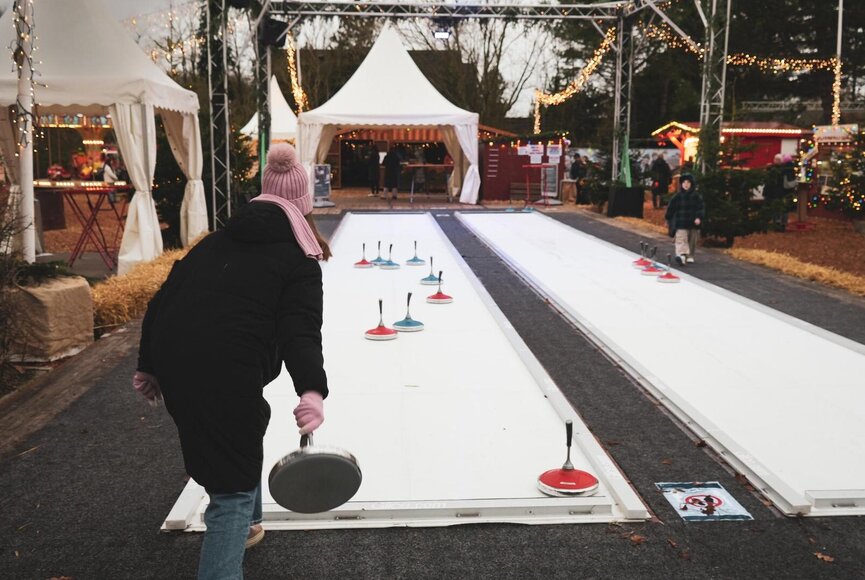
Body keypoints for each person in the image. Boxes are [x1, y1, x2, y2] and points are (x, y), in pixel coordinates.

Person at [132, 143, 331, 580]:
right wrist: (312, 390)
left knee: (237, 431)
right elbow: (300, 330)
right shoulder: (298, 259)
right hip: (224, 368)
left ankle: (249, 524)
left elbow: (163, 300)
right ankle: (236, 530)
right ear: (303, 204)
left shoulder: (213, 243)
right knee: (231, 492)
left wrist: (148, 365)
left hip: (176, 363)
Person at [664, 173, 704, 266]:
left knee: (692, 240)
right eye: (684, 182)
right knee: (681, 239)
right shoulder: (677, 197)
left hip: (693, 222)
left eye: (688, 182)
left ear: (691, 184)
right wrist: (667, 218)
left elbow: (701, 208)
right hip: (680, 222)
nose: (686, 184)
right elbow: (671, 208)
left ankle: (690, 255)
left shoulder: (696, 197)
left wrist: (698, 217)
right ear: (681, 184)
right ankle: (681, 255)